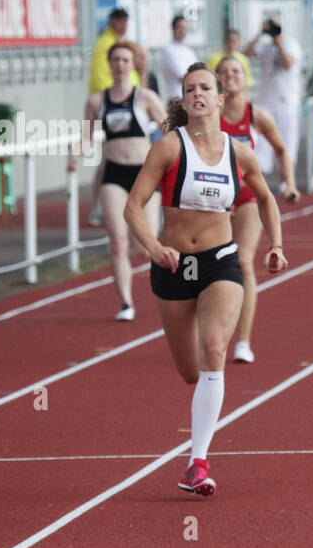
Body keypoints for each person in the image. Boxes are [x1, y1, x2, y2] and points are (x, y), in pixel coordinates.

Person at [123, 62, 288, 496]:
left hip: (220, 260)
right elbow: (133, 208)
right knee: (189, 371)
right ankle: (200, 420)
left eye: (205, 88)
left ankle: (196, 462)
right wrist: (156, 249)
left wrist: (276, 244)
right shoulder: (168, 148)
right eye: (190, 88)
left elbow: (267, 199)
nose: (198, 94)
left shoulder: (241, 153)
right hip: (175, 265)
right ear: (183, 101)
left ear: (219, 99)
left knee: (214, 350)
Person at [76, 40, 168, 321]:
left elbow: (169, 129)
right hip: (113, 173)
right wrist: (75, 155)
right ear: (109, 63)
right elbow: (86, 135)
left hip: (144, 173)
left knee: (144, 244)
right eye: (115, 59)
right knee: (118, 241)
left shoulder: (146, 98)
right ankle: (126, 303)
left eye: (125, 60)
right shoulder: (96, 101)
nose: (119, 65)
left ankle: (170, 286)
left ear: (133, 65)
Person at [215, 55, 298, 364]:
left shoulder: (257, 115)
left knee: (243, 261)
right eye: (223, 72)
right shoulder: (209, 115)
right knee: (211, 265)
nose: (230, 75)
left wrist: (289, 183)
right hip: (214, 195)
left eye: (235, 71)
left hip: (248, 193)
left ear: (245, 77)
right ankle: (214, 331)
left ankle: (243, 341)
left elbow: (280, 150)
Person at [245, 14, 303, 189]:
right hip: (266, 101)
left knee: (286, 142)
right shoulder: (265, 45)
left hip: (286, 101)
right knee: (261, 144)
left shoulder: (291, 44)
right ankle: (261, 182)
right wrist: (259, 33)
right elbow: (247, 53)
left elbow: (288, 63)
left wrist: (279, 43)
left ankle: (287, 182)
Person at [89, 7, 136, 94]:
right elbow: (100, 77)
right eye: (120, 22)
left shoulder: (118, 41)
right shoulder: (105, 44)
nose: (124, 26)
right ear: (111, 22)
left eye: (125, 22)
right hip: (109, 99)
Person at [161, 15, 198, 102]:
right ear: (173, 29)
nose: (183, 31)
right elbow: (182, 76)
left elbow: (199, 70)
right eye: (179, 27)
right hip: (177, 99)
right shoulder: (168, 50)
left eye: (185, 28)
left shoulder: (189, 51)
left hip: (191, 98)